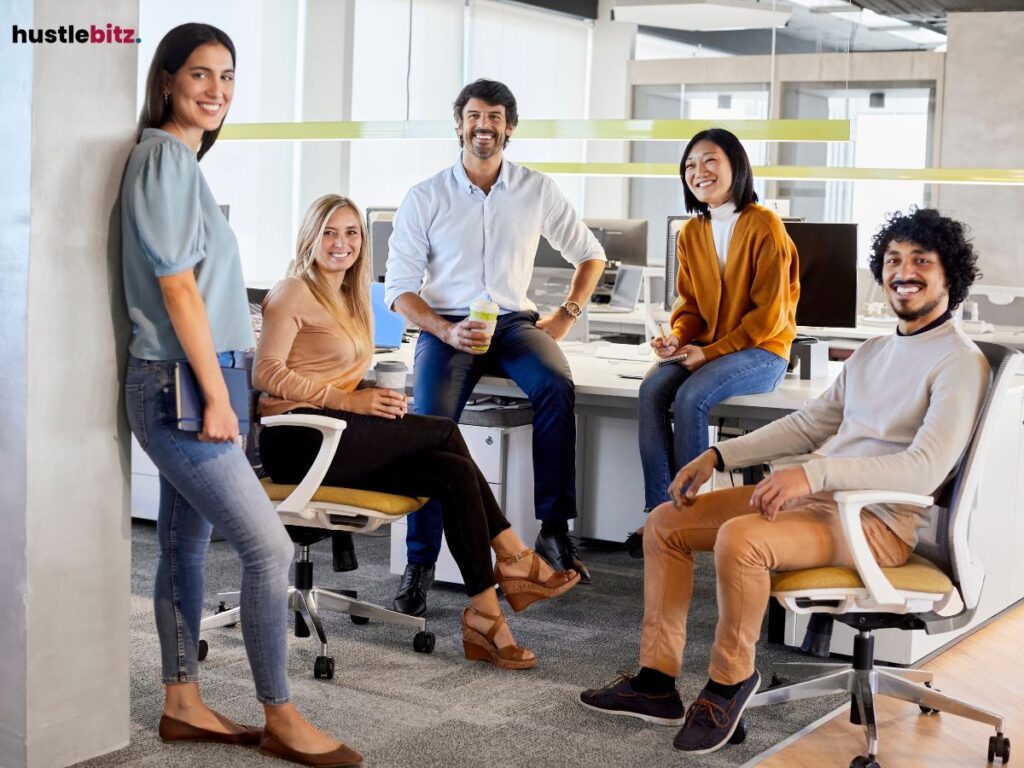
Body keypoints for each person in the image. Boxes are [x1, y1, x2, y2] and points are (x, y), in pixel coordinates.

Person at [579, 208, 988, 755]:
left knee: (742, 539)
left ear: (949, 273)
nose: (903, 272)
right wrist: (717, 455)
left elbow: (923, 468)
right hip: (819, 503)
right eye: (893, 260)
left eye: (921, 261)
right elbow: (811, 424)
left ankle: (729, 683)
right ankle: (656, 682)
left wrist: (812, 473)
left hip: (876, 526)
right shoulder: (875, 351)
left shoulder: (959, 362)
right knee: (667, 522)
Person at [121, 24, 361, 768]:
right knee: (269, 547)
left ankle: (182, 703)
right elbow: (177, 289)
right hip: (183, 383)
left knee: (183, 544)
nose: (217, 89)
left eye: (227, 76)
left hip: (202, 376)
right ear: (167, 79)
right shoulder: (164, 158)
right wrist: (217, 396)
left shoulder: (181, 164)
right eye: (201, 73)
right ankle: (281, 717)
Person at [254, 194, 580, 670]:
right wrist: (350, 401)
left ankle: (486, 617)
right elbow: (266, 372)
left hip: (336, 431)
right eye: (329, 232)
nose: (341, 243)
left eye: (351, 232)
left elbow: (328, 371)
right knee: (444, 431)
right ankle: (514, 557)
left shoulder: (350, 297)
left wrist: (372, 397)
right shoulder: (293, 292)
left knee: (451, 473)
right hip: (296, 440)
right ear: (310, 238)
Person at [384, 78, 607, 613]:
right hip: (449, 325)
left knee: (555, 385)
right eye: (474, 116)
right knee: (430, 426)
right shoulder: (425, 196)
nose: (483, 126)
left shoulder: (536, 189)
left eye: (495, 117)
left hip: (512, 324)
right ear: (459, 124)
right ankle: (420, 560)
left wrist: (567, 314)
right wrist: (444, 330)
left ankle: (554, 530)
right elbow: (399, 289)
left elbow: (590, 254)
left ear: (510, 127)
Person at [628, 128, 799, 559]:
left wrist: (709, 352)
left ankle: (692, 515)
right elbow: (690, 307)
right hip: (710, 348)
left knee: (692, 397)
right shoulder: (691, 232)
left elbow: (768, 316)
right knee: (651, 389)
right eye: (690, 165)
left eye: (709, 161)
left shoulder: (764, 224)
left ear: (735, 165)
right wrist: (677, 337)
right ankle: (659, 512)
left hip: (762, 351)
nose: (698, 172)